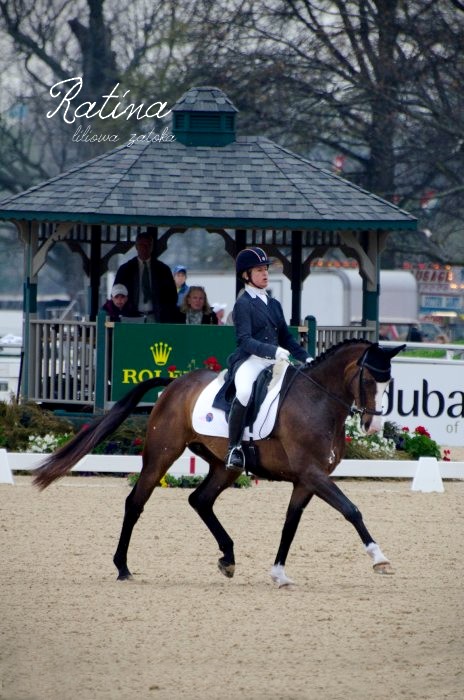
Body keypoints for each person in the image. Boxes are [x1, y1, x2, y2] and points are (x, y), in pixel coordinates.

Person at [214, 247, 313, 471]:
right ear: (246, 275)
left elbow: (287, 338)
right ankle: (234, 448)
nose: (265, 273)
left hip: (274, 359)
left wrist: (306, 358)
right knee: (244, 392)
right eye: (259, 270)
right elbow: (244, 340)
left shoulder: (274, 304)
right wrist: (273, 351)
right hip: (250, 360)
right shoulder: (243, 304)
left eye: (266, 269)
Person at [114, 231, 178, 322]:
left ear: (152, 247)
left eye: (148, 245)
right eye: (141, 245)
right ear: (136, 246)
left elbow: (172, 296)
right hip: (131, 317)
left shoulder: (163, 270)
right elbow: (115, 294)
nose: (144, 248)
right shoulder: (125, 270)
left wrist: (167, 314)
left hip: (156, 317)